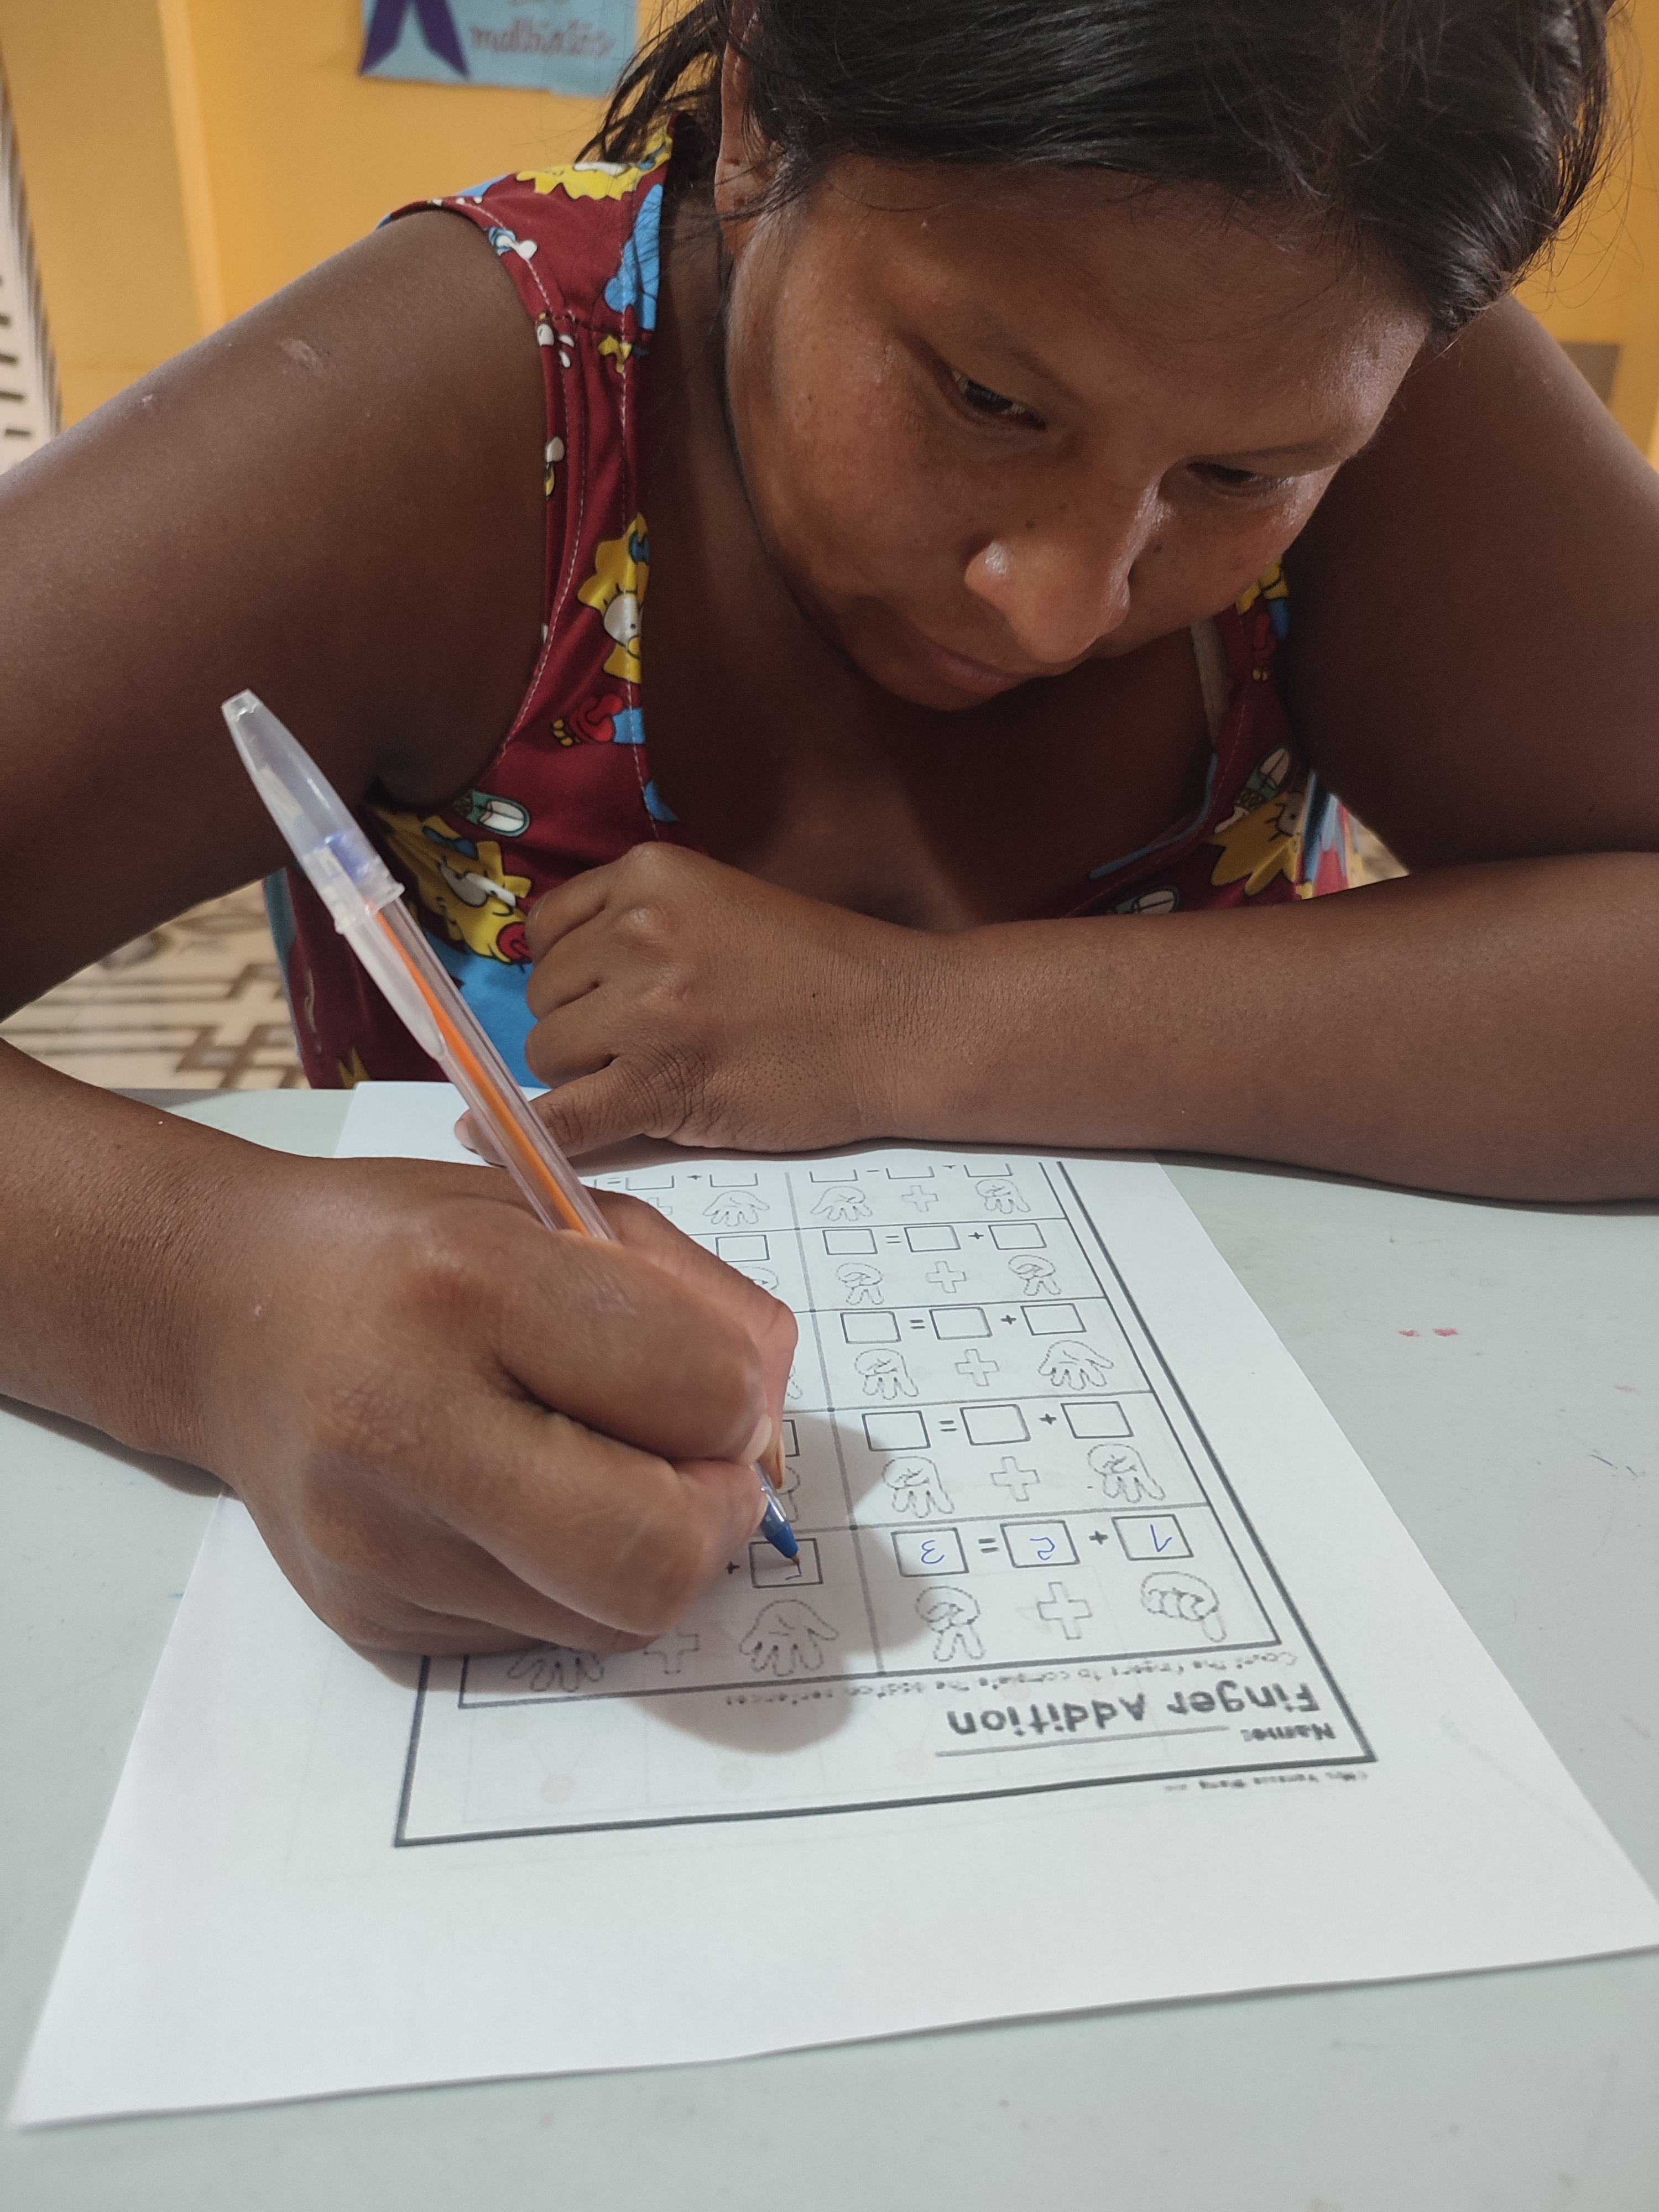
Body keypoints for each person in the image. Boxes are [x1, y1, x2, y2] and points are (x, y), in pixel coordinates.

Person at [1, 1, 1651, 1656]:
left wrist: (912, 1023)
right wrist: (208, 1299)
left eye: (1240, 480)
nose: (1062, 606)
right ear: (757, 126)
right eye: (989, 397)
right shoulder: (476, 401)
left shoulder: (1345, 304)